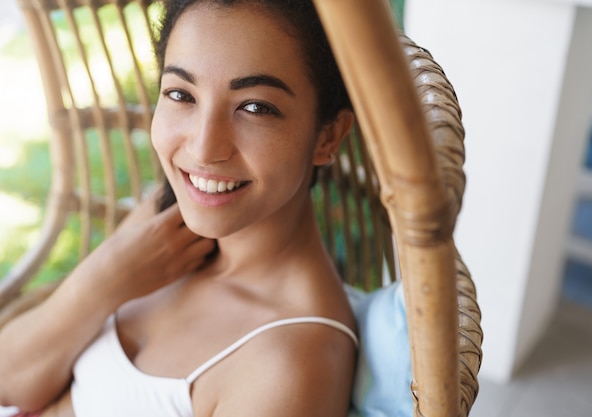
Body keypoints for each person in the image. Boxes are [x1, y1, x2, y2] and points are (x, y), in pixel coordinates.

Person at [0, 0, 358, 416]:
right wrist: (101, 281)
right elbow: (9, 380)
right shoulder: (168, 220)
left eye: (255, 107)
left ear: (328, 137)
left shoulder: (289, 363)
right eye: (180, 94)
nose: (204, 148)